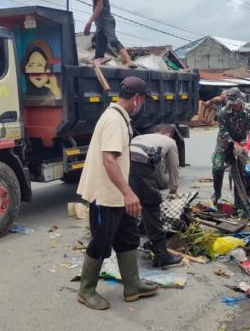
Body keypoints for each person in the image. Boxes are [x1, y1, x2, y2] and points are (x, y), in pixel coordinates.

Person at [76, 76, 158, 310]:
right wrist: (128, 193)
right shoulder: (114, 120)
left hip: (117, 194)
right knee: (101, 242)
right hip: (106, 195)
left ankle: (132, 286)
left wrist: (126, 193)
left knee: (128, 236)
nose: (141, 105)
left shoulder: (120, 118)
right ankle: (86, 290)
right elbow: (109, 160)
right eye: (142, 101)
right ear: (136, 99)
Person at [129, 124, 183, 268]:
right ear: (168, 134)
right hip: (139, 164)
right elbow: (173, 166)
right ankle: (162, 254)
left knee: (131, 204)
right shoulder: (170, 142)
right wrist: (173, 189)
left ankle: (130, 245)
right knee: (151, 204)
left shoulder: (141, 137)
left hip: (124, 163)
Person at [211, 87, 250, 204]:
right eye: (232, 103)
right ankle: (217, 192)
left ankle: (239, 199)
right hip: (224, 141)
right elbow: (223, 131)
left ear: (241, 100)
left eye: (236, 103)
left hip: (242, 141)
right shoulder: (223, 112)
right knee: (217, 166)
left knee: (239, 171)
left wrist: (247, 147)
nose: (234, 106)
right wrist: (233, 143)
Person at [83, 0, 134, 67]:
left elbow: (99, 6)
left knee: (113, 40)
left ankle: (129, 61)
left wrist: (89, 23)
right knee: (98, 43)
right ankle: (99, 59)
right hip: (101, 24)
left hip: (107, 21)